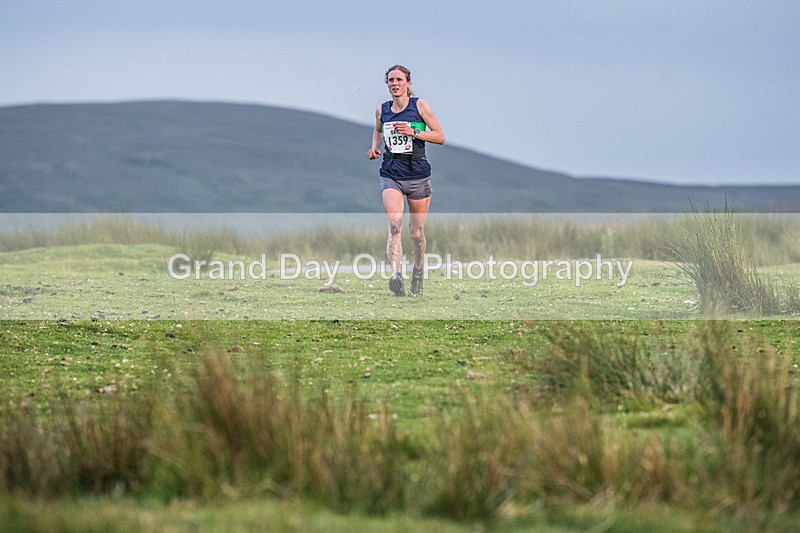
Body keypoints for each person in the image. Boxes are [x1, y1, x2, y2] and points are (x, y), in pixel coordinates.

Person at [367, 65, 445, 296]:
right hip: (391, 171)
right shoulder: (382, 110)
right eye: (391, 80)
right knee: (394, 224)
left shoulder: (419, 106)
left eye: (399, 80)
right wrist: (374, 147)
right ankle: (397, 276)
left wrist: (414, 133)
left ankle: (418, 272)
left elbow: (440, 136)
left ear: (408, 83)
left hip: (418, 173)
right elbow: (378, 130)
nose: (395, 84)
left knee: (416, 233)